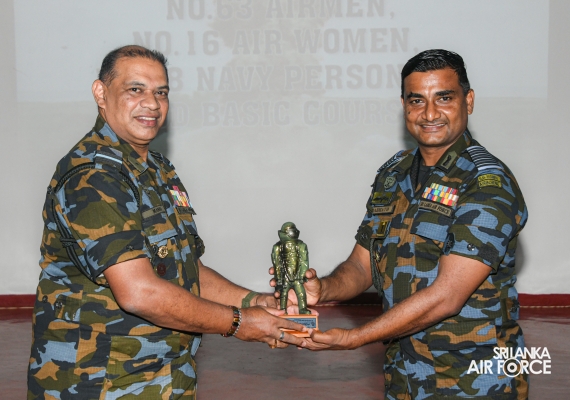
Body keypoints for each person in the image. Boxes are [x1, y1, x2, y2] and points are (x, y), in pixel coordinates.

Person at [27, 45, 306, 400]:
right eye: (135, 89)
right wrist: (239, 322)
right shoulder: (94, 176)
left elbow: (186, 270)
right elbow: (139, 292)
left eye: (161, 92)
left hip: (165, 375)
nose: (152, 104)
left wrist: (253, 301)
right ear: (101, 93)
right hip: (100, 381)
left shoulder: (157, 169)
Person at [275, 50, 529, 399]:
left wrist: (354, 338)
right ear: (404, 106)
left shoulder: (487, 183)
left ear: (468, 101)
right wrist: (322, 289)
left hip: (475, 381)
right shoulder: (394, 174)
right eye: (417, 100)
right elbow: (362, 265)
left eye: (444, 98)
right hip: (405, 376)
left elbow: (447, 296)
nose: (430, 113)